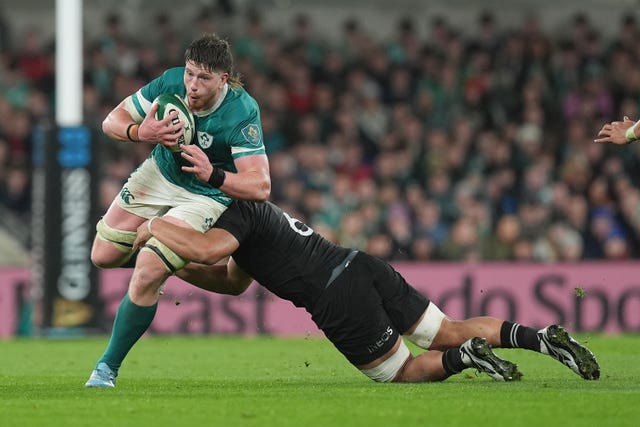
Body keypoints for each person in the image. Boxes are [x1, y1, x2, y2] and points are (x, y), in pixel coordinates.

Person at [85, 155, 600, 388]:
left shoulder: (234, 214)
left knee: (404, 371)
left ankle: (465, 359)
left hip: (336, 299)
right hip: (358, 264)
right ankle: (539, 340)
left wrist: (154, 229)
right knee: (448, 327)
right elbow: (230, 279)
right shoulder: (256, 214)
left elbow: (203, 248)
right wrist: (176, 271)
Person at [85, 34, 271, 387]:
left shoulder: (241, 111)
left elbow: (260, 187)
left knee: (147, 270)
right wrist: (142, 131)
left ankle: (106, 369)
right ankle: (168, 256)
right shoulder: (170, 82)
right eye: (190, 74)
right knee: (103, 255)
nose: (192, 85)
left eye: (203, 78)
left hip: (204, 195)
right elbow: (111, 121)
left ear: (224, 79)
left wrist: (213, 174)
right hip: (159, 175)